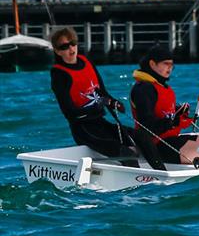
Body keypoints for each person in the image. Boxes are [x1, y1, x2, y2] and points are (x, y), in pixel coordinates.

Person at [49, 26, 164, 169]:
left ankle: (163, 175)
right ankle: (137, 186)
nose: (71, 49)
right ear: (57, 51)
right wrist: (95, 107)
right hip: (84, 130)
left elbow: (103, 93)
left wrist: (114, 103)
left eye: (73, 43)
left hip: (101, 124)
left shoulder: (86, 62)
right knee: (125, 153)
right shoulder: (59, 74)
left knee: (142, 137)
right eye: (65, 47)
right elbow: (69, 112)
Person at [130, 45, 199, 166]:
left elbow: (163, 113)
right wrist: (173, 121)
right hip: (157, 146)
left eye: (171, 64)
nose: (170, 68)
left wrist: (178, 113)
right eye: (165, 63)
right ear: (152, 64)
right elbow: (146, 127)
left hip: (172, 139)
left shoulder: (162, 87)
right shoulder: (143, 89)